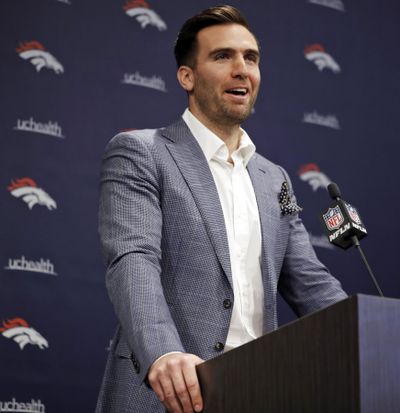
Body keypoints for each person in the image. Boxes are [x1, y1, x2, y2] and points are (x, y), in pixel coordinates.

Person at [96, 5, 347, 413]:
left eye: (251, 58)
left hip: (257, 391)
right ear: (187, 77)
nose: (241, 69)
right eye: (222, 56)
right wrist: (163, 354)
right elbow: (133, 260)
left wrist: (373, 334)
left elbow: (311, 283)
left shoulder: (274, 179)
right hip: (169, 392)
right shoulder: (142, 152)